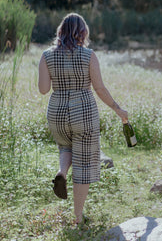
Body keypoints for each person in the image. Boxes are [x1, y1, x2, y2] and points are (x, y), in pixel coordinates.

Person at [38, 13, 128, 224]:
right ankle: (78, 217)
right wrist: (118, 109)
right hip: (84, 112)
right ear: (82, 32)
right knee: (84, 165)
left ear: (61, 31)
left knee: (65, 146)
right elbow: (99, 88)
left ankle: (61, 172)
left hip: (57, 112)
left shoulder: (46, 55)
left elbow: (43, 90)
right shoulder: (89, 55)